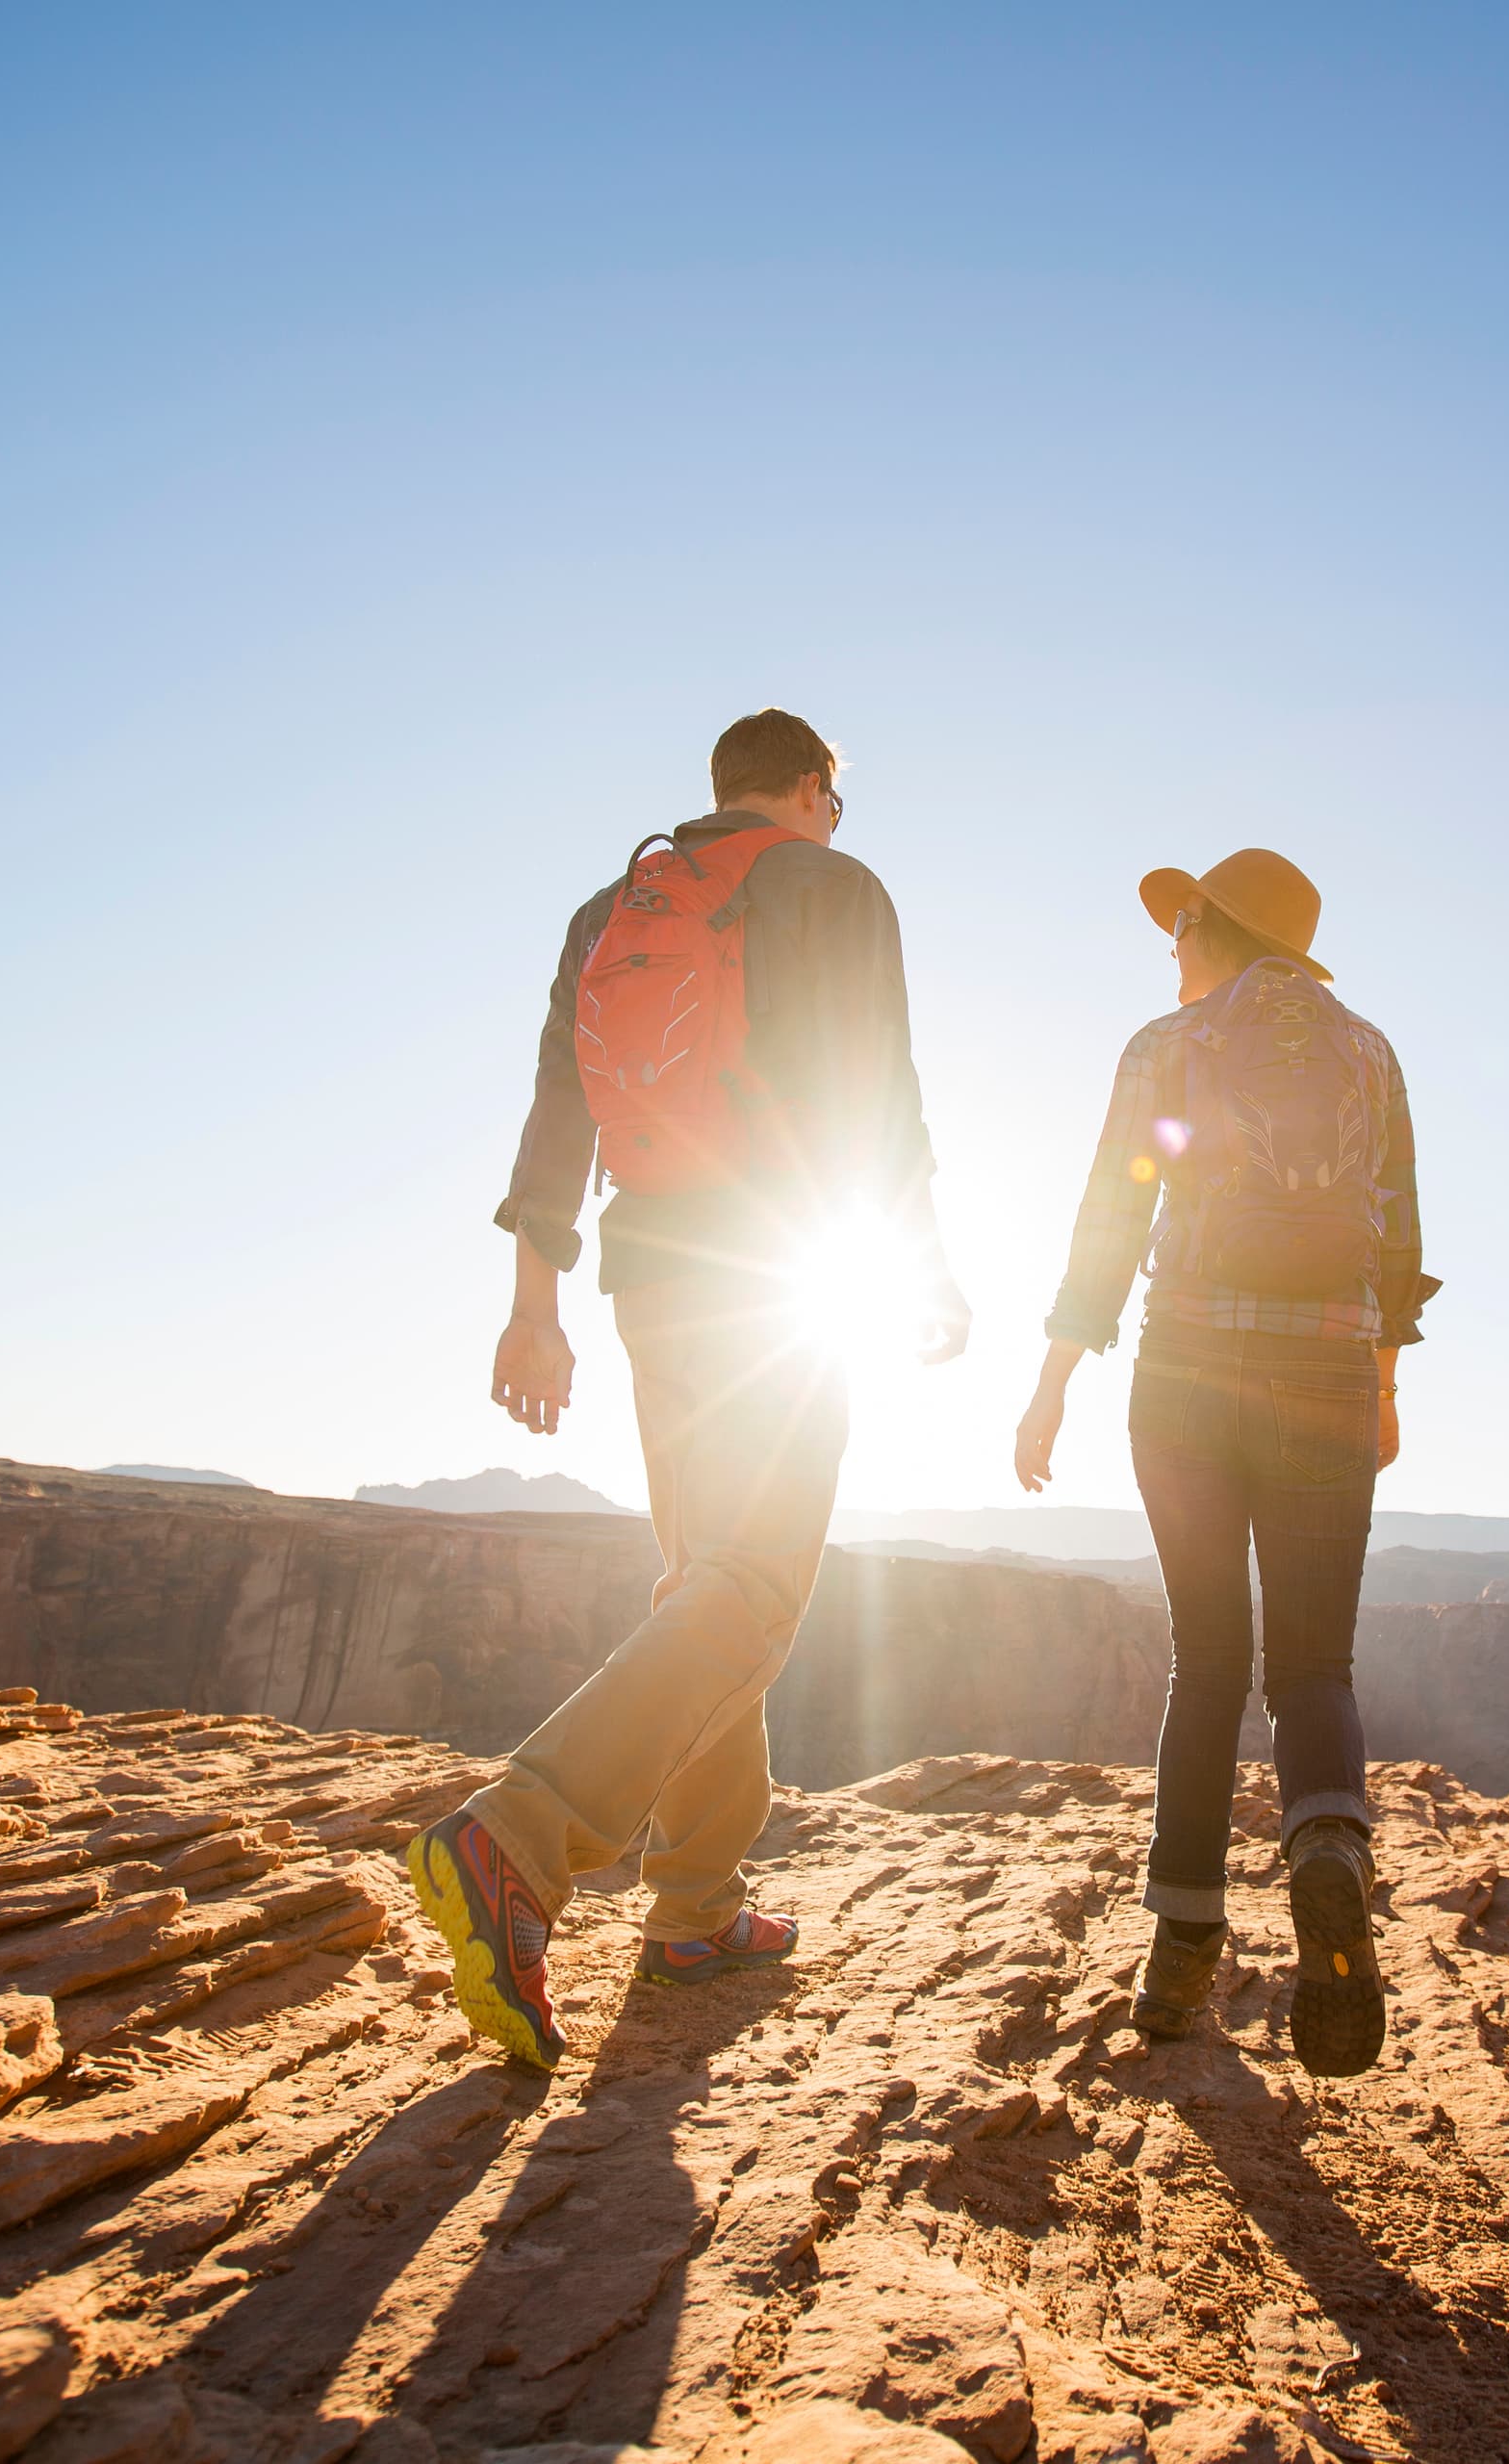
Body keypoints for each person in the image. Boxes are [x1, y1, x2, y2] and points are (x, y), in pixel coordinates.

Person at [413, 708, 968, 2069]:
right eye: (836, 799)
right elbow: (879, 1094)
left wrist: (532, 1313)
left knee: (709, 1579)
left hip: (648, 1272)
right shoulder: (837, 887)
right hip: (781, 1269)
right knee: (755, 1586)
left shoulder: (619, 903)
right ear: (809, 793)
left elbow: (559, 1110)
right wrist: (924, 1267)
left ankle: (696, 1908)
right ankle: (518, 1842)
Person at [1011, 848, 1434, 2077]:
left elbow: (1111, 1217)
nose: (1171, 939)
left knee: (1207, 1662)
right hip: (1328, 1381)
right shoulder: (1373, 1051)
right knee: (1314, 1663)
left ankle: (1181, 1952)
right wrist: (1385, 1386)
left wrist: (1052, 1383)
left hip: (1186, 1379)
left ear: (1217, 929)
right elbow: (1398, 1235)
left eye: (1182, 919)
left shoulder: (1164, 1044)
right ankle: (1326, 1856)